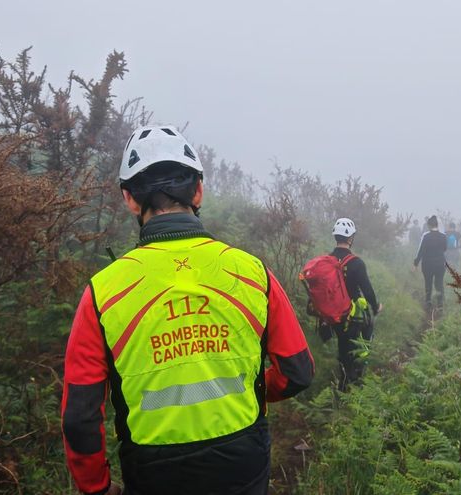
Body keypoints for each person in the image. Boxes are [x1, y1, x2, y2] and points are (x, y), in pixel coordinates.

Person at [61, 125, 314, 495]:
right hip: (242, 459)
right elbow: (298, 372)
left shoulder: (103, 292)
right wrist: (253, 389)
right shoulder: (252, 272)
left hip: (154, 471)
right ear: (198, 191)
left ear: (130, 199)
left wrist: (96, 487)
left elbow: (80, 417)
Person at [320, 218, 382, 391]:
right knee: (360, 344)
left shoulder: (326, 261)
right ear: (350, 238)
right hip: (353, 314)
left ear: (335, 237)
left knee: (343, 345)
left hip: (334, 314)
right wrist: (376, 307)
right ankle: (354, 381)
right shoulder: (356, 263)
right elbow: (367, 290)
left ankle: (344, 379)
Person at [413, 215, 448, 311]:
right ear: (437, 225)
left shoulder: (426, 236)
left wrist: (416, 263)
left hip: (427, 264)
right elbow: (445, 249)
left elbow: (420, 251)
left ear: (429, 225)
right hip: (440, 263)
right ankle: (440, 304)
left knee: (428, 282)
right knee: (439, 283)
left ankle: (428, 302)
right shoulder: (443, 236)